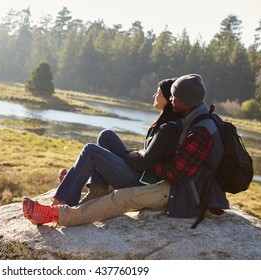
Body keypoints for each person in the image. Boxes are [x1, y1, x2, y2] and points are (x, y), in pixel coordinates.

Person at [23, 74, 229, 227]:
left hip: (180, 192)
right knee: (106, 138)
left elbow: (177, 174)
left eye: (173, 96)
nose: (171, 99)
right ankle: (89, 189)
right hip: (168, 180)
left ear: (185, 101)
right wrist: (141, 155)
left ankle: (57, 211)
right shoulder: (193, 118)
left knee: (119, 195)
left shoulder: (199, 130)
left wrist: (144, 159)